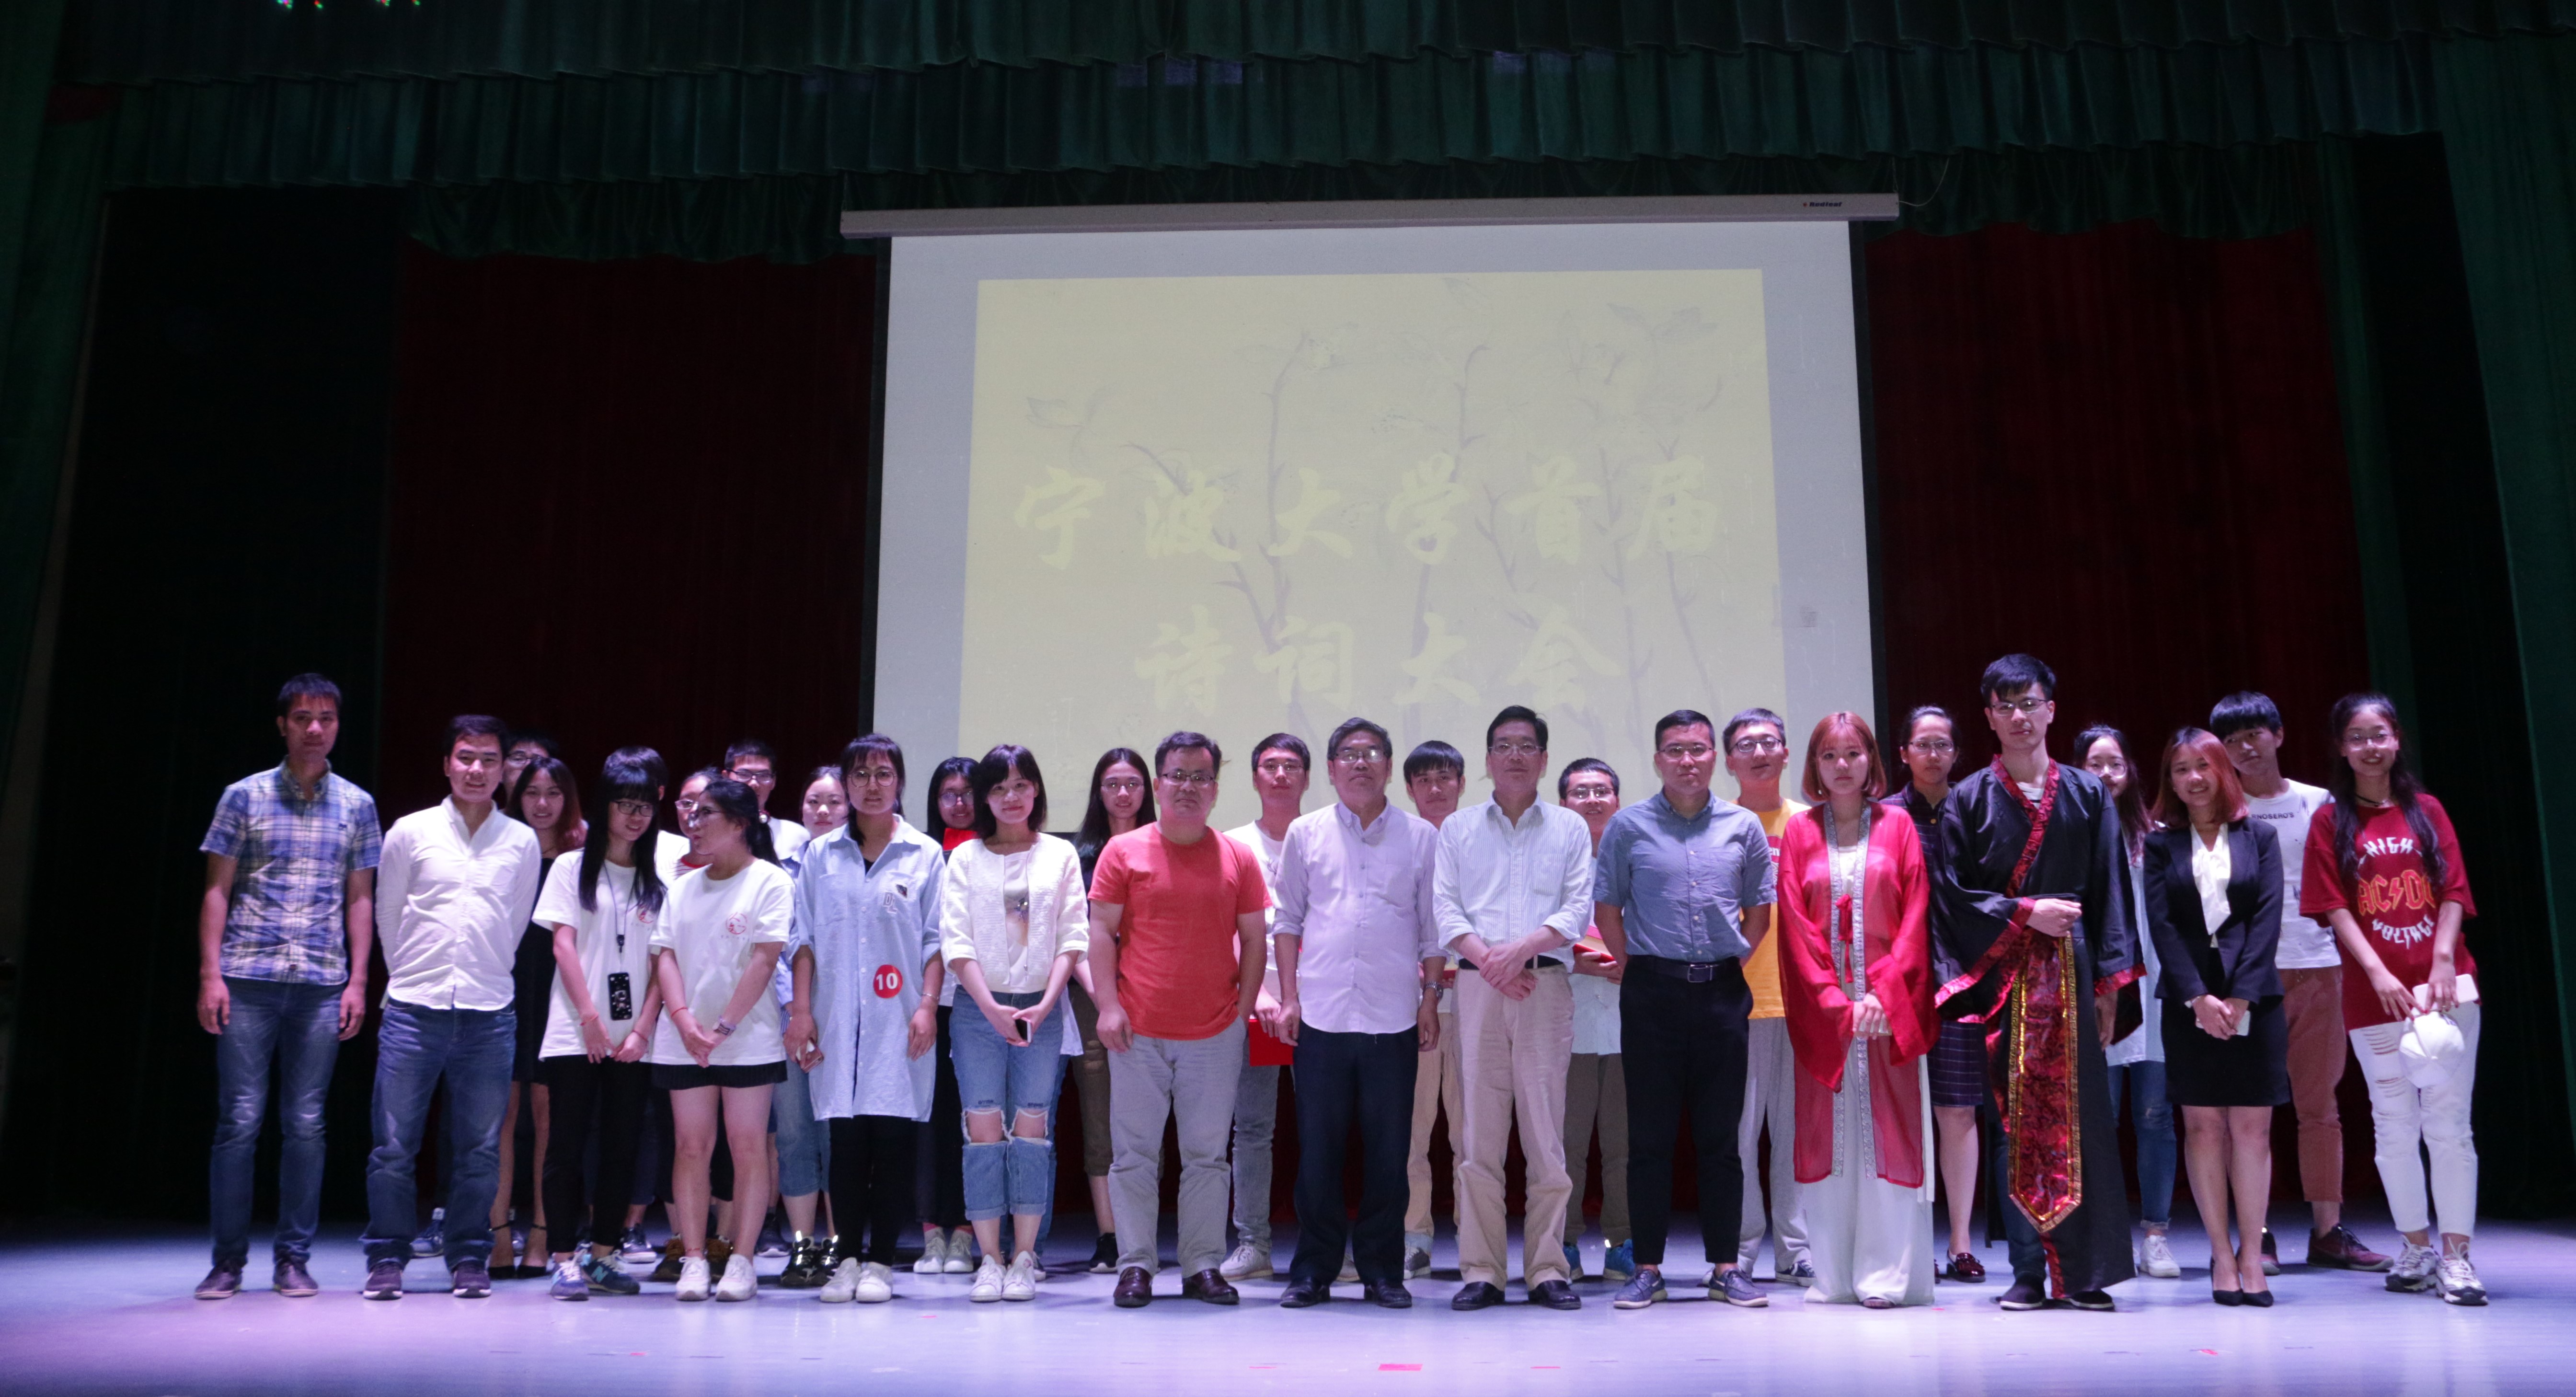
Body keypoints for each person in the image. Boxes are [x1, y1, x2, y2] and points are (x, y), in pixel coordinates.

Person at [1931, 655, 2136, 1311]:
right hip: (2005, 975)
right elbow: (1953, 895)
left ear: (2051, 709)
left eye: (2030, 702)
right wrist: (2024, 912)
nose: (2019, 716)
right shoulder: (1968, 798)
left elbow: (2111, 887)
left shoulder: (2087, 792)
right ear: (1989, 717)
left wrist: (2111, 982)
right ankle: (2026, 1270)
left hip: (2073, 968)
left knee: (2082, 1117)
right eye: (2005, 705)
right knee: (2013, 1121)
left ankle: (2084, 1271)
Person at [193, 674, 382, 1301]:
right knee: (239, 1120)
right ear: (283, 724)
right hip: (248, 976)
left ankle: (293, 1258)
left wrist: (358, 980)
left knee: (306, 1123)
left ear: (338, 725)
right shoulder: (243, 796)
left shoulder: (357, 804)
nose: (315, 728)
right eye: (303, 717)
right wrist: (210, 974)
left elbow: (361, 898)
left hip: (321, 983)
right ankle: (227, 1260)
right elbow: (217, 888)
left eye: (326, 717)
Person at [2300, 693, 2485, 1305]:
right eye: (2357, 737)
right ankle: (2416, 1247)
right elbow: (2333, 906)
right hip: (2374, 996)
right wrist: (2378, 972)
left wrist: (2441, 958)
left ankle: (2457, 1256)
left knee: (2449, 1124)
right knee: (2394, 1123)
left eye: (2379, 734)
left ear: (2397, 738)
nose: (2370, 746)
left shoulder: (2427, 809)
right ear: (2341, 747)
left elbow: (2453, 889)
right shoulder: (2330, 821)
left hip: (2446, 990)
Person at [1594, 709, 1774, 1311]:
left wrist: (1726, 962)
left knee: (1721, 1138)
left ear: (1714, 757)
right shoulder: (1629, 825)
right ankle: (1647, 1266)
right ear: (1657, 760)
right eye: (1675, 750)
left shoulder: (1742, 826)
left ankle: (1727, 1266)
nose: (1688, 760)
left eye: (1698, 748)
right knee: (1649, 1138)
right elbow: (1608, 911)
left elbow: (1759, 912)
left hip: (1722, 994)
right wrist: (1644, 966)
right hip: (1651, 994)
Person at [361, 716, 543, 1300]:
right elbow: (389, 915)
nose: (476, 769)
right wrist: (412, 974)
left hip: (489, 1011)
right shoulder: (410, 831)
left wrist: (479, 971)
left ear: (504, 769)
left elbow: (514, 924)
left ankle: (468, 1254)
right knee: (393, 1146)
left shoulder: (520, 840)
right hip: (414, 1008)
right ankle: (387, 1255)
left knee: (481, 1148)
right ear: (447, 763)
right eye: (466, 757)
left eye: (489, 759)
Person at [1089, 731, 1269, 1307]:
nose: (1188, 787)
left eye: (1200, 777)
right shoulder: (1124, 851)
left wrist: (1242, 1011)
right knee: (1134, 1156)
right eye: (1177, 775)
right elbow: (1101, 931)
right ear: (1158, 783)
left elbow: (1255, 938)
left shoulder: (1238, 856)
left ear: (1215, 788)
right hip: (1137, 1029)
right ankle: (1135, 1265)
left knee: (1208, 1157)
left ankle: (1202, 1264)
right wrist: (1109, 1006)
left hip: (1215, 1031)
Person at [2212, 691, 2390, 1273]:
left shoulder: (2321, 802)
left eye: (2254, 733)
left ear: (2279, 734)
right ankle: (2256, 1232)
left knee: (2319, 1106)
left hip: (2319, 966)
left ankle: (2327, 1229)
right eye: (2232, 740)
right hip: (2247, 977)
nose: (2246, 747)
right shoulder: (2220, 808)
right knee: (2249, 1112)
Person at [1269, 718, 1443, 1309]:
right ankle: (1313, 1270)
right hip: (1321, 1014)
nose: (1361, 762)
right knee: (1318, 1151)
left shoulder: (1420, 837)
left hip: (1393, 1016)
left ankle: (1382, 1271)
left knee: (1389, 1153)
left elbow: (1432, 930)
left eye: (1372, 753)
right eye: (1349, 753)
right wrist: (1289, 998)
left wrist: (1430, 999)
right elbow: (1287, 921)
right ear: (1332, 768)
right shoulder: (1306, 832)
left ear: (1389, 766)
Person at [1776, 713, 1938, 1308]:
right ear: (1814, 765)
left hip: (1888, 1009)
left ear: (1872, 759)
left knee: (1889, 1135)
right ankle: (1836, 1276)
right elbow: (1794, 925)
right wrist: (1833, 1001)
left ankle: (1888, 1276)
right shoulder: (1800, 832)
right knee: (1831, 1138)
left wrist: (1881, 995)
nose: (1842, 766)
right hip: (1828, 1015)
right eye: (1829, 755)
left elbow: (1916, 915)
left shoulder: (1899, 826)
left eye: (1853, 753)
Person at [1434, 705, 1593, 1312]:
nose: (1516, 755)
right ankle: (1483, 1269)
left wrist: (1520, 950)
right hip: (1478, 987)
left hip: (1543, 986)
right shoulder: (1458, 828)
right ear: (1488, 759)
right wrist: (1491, 961)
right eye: (1504, 745)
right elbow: (1446, 908)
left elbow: (1576, 908)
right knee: (1478, 1136)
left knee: (1546, 1135)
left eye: (1528, 745)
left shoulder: (1570, 827)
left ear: (1545, 759)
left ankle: (1548, 1267)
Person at [788, 735, 947, 1305]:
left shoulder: (924, 853)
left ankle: (881, 1261)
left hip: (900, 1020)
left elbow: (936, 939)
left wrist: (927, 1005)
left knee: (894, 1141)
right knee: (846, 1143)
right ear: (846, 783)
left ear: (899, 781)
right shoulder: (821, 854)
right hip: (835, 1019)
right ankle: (848, 1259)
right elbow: (803, 938)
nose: (872, 785)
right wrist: (801, 1010)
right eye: (860, 774)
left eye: (883, 774)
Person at [2143, 728, 2287, 1307]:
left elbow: (2268, 918)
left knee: (2252, 1130)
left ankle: (2253, 1256)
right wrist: (2198, 997)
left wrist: (2242, 997)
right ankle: (2221, 1257)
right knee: (2203, 1127)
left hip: (2256, 998)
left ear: (2223, 770)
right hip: (2189, 1003)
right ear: (2171, 780)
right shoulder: (2161, 844)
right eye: (2181, 769)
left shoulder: (2261, 836)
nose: (2193, 778)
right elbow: (2162, 926)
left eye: (2203, 765)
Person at [941, 744, 1088, 1302]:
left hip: (1040, 1010)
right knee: (982, 1133)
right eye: (999, 787)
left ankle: (1024, 1256)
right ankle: (990, 1258)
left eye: (1021, 785)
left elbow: (1073, 935)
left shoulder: (1059, 854)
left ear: (1037, 790)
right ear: (984, 797)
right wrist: (991, 1007)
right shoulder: (965, 857)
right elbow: (956, 942)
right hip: (978, 1010)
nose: (1011, 797)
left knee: (1032, 1132)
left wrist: (1045, 1003)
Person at [650, 777, 793, 1302]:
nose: (694, 821)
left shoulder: (770, 880)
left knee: (749, 1146)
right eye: (691, 811)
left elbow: (765, 958)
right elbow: (664, 954)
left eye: (706, 812)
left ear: (739, 823)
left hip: (746, 1037)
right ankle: (693, 1257)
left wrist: (723, 1027)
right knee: (691, 1146)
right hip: (684, 1038)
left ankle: (742, 1259)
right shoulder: (683, 886)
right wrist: (684, 1020)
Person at [535, 758, 667, 1300]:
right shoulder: (572, 866)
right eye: (625, 805)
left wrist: (642, 1028)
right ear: (604, 806)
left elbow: (664, 960)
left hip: (634, 1039)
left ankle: (605, 1254)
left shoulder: (658, 876)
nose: (636, 816)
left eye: (645, 807)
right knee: (565, 1146)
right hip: (575, 1029)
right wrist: (590, 1019)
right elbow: (563, 945)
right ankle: (564, 1257)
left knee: (622, 1147)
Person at [1884, 705, 1988, 1283]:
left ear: (1956, 753)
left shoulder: (1976, 810)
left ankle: (1962, 1242)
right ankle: (1910, 1239)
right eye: (1922, 744)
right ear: (1903, 753)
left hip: (1962, 981)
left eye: (1942, 744)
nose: (1932, 754)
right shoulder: (1884, 816)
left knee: (1957, 1109)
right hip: (1898, 981)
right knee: (1903, 1111)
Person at [2076, 726, 2179, 1281]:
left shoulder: (2157, 837)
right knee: (2101, 1115)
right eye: (2095, 764)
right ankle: (2106, 1234)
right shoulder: (2071, 835)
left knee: (2156, 1114)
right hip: (2099, 989)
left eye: (2114, 763)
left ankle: (2156, 1234)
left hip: (2156, 989)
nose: (2106, 774)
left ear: (2131, 770)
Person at [1723, 707, 1813, 1284]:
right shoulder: (1716, 823)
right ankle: (1741, 1245)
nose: (1759, 752)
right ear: (1729, 759)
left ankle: (1795, 1247)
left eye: (1769, 741)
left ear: (1786, 751)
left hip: (1801, 1001)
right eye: (1746, 744)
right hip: (1734, 1002)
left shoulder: (1809, 823)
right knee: (1736, 1135)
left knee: (1795, 1135)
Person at [1219, 732, 1308, 1283]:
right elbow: (1225, 927)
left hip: (1317, 1004)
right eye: (1270, 766)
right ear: (1254, 777)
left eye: (1290, 766)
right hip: (1252, 1003)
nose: (1280, 775)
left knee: (1323, 1126)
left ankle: (1323, 1243)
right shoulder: (1233, 844)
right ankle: (1253, 1242)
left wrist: (1297, 996)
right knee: (1251, 1127)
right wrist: (1264, 996)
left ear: (1307, 777)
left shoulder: (1322, 835)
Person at [493, 756, 584, 1277]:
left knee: (552, 1117)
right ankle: (498, 1233)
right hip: (503, 988)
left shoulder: (579, 859)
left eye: (553, 793)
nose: (542, 803)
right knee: (500, 1116)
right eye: (532, 793)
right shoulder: (504, 849)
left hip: (560, 994)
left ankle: (544, 1234)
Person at [1070, 748, 1155, 1273]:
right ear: (1098, 792)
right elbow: (1073, 935)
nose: (1123, 794)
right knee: (1098, 1112)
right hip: (1092, 997)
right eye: (1112, 784)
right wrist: (1105, 996)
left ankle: (1142, 1232)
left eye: (1132, 783)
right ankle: (1109, 1234)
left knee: (1148, 1115)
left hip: (1153, 995)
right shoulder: (1077, 856)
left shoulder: (1165, 846)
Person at [1557, 759, 1633, 1285]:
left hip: (1631, 1021)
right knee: (1567, 1144)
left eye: (1601, 791)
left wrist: (1635, 961)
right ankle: (1563, 1242)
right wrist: (1577, 961)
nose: (1592, 799)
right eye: (1580, 792)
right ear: (1563, 803)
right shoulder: (1551, 864)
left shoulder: (1638, 858)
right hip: (1569, 1020)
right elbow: (1526, 931)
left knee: (1624, 1145)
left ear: (1617, 801)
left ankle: (1621, 1243)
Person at [771, 766, 848, 1288]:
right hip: (785, 1021)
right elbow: (776, 946)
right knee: (795, 1133)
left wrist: (823, 1015)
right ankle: (802, 1244)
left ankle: (840, 1243)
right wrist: (794, 1012)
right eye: (813, 801)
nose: (822, 810)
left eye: (834, 801)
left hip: (843, 1020)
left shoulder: (858, 864)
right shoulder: (779, 866)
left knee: (838, 1136)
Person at [1400, 738, 1467, 1279]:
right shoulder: (1399, 843)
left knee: (1473, 1131)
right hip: (1410, 1006)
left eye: (1445, 777)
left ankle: (1476, 1236)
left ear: (1462, 784)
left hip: (1474, 1003)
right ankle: (1415, 1236)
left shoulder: (1480, 840)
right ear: (1409, 789)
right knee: (1412, 1131)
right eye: (1424, 779)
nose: (1436, 788)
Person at [915, 755, 979, 1273]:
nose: (959, 803)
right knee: (929, 1118)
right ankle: (930, 1231)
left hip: (981, 1003)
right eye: (948, 794)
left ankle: (965, 1232)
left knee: (971, 1118)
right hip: (928, 1002)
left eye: (968, 792)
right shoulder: (919, 855)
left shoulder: (995, 852)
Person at [725, 739, 809, 863]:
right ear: (726, 777)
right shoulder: (711, 830)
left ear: (774, 781)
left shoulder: (797, 835)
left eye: (764, 776)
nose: (754, 783)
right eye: (744, 774)